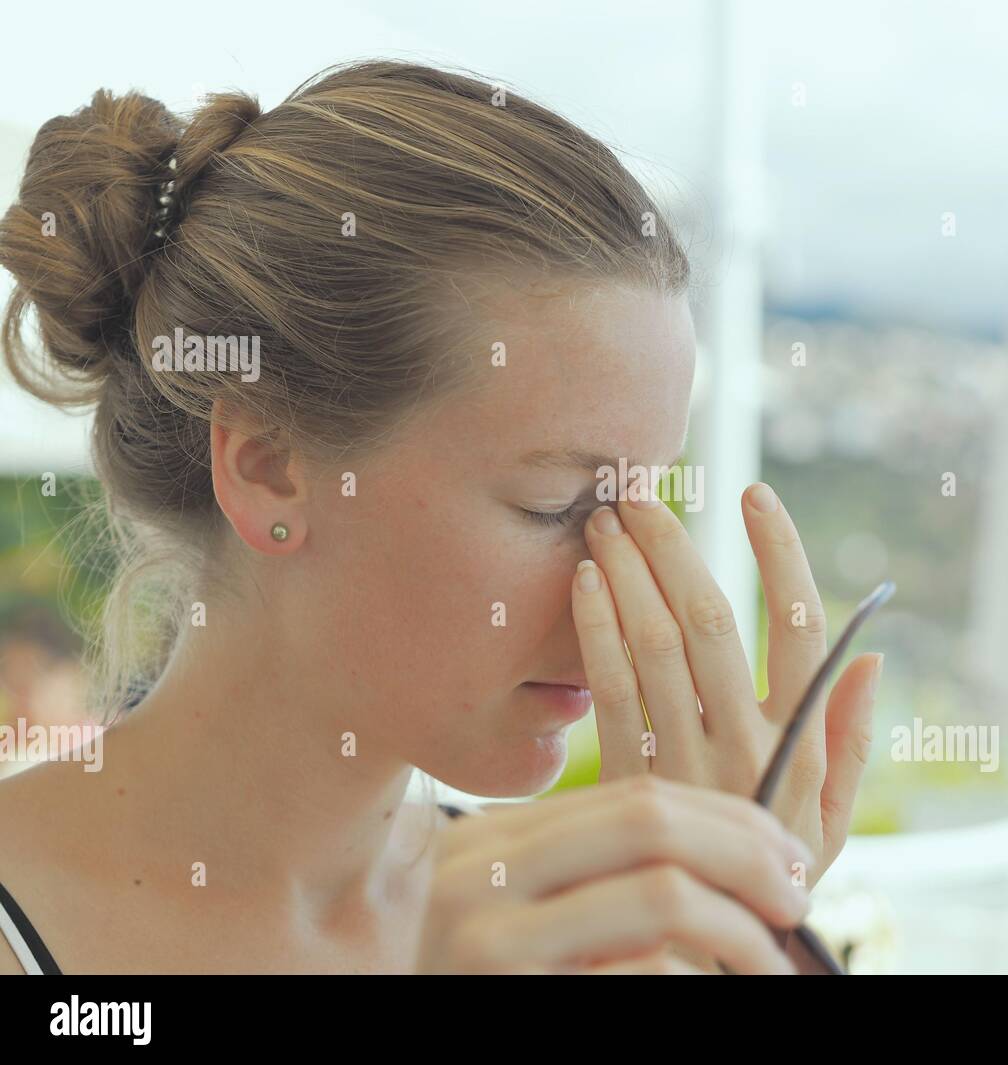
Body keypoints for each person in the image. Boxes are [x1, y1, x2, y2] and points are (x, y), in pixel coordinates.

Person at [0, 59, 882, 974]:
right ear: (265, 464)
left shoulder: (554, 926)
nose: (631, 592)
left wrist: (722, 945)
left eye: (645, 500)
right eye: (559, 505)